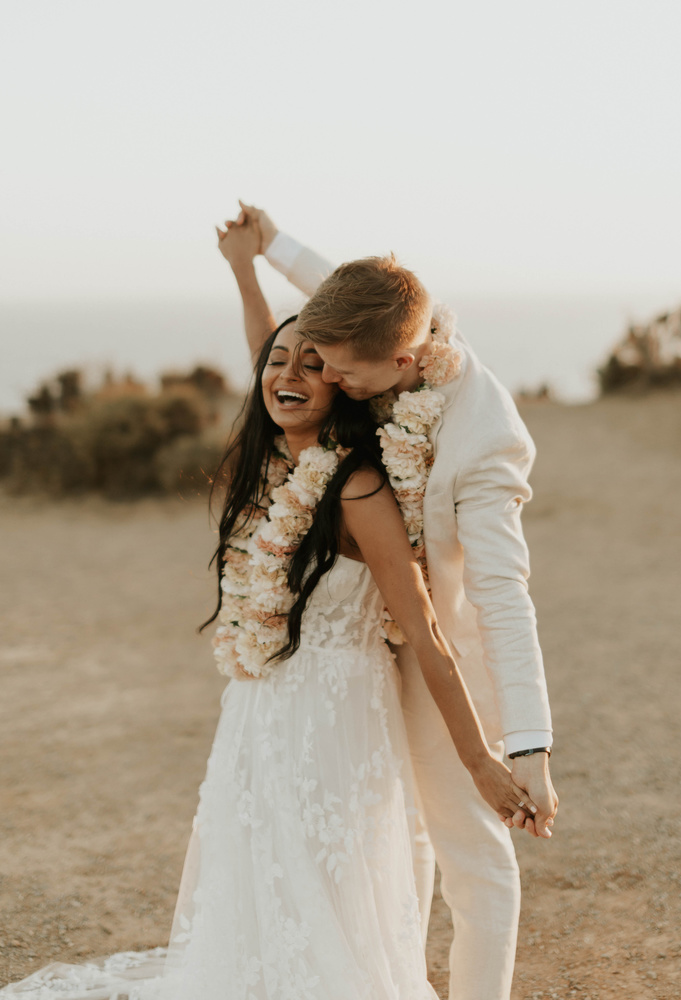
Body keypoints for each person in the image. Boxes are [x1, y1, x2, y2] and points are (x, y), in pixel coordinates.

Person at [0, 220, 534, 999]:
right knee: (260, 870)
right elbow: (277, 358)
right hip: (261, 707)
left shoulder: (357, 486)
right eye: (281, 362)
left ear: (345, 385)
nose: (291, 373)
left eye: (317, 367)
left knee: (331, 881)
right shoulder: (278, 458)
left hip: (340, 715)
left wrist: (485, 759)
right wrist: (247, 269)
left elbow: (425, 631)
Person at [218, 202, 559, 1000]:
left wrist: (527, 751)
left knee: (470, 851)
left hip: (444, 647)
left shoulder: (485, 444)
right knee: (390, 838)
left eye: (341, 372)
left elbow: (504, 595)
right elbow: (328, 315)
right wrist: (266, 249)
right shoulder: (387, 328)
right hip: (359, 651)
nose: (325, 379)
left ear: (404, 362)